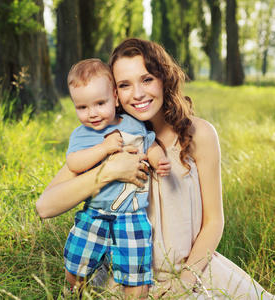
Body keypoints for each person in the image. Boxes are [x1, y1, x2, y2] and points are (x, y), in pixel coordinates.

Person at [36, 39, 275, 299]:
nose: (138, 93)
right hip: (127, 276)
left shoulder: (199, 134)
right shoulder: (104, 138)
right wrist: (108, 171)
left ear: (164, 79)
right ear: (114, 94)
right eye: (125, 85)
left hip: (192, 270)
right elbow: (46, 206)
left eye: (147, 79)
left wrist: (186, 280)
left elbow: (214, 221)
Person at [61, 58, 171, 298]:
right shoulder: (82, 135)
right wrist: (104, 148)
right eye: (82, 107)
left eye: (100, 103)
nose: (92, 113)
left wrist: (158, 159)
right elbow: (74, 163)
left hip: (132, 216)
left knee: (136, 272)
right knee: (76, 265)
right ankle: (72, 291)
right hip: (94, 214)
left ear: (115, 97)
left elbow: (149, 145)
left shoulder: (133, 124)